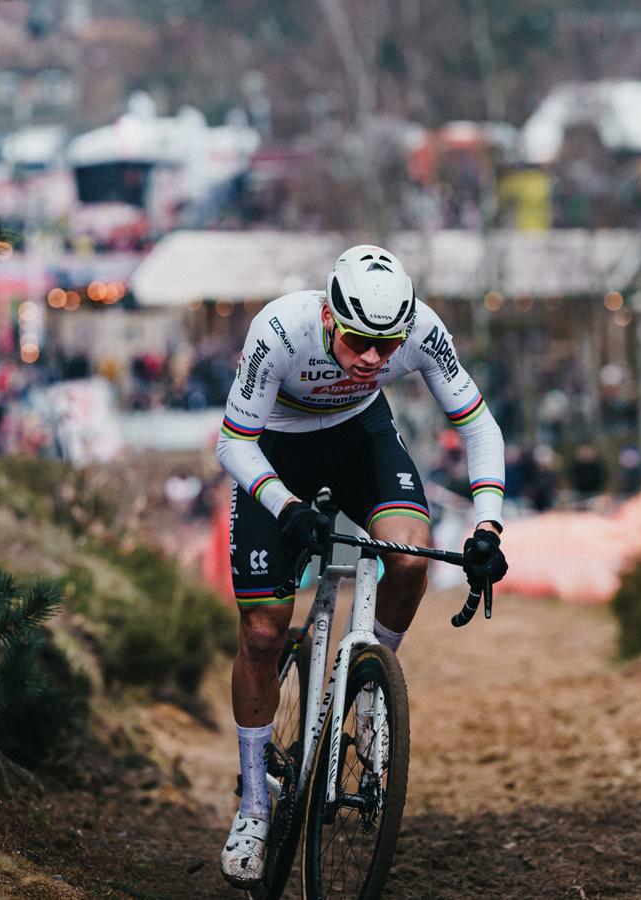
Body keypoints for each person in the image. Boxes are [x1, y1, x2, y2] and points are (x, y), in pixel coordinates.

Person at [215, 245, 508, 888]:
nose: (374, 358)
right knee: (263, 632)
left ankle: (371, 689)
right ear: (327, 316)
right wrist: (285, 507)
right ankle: (256, 806)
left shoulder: (423, 330)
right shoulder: (280, 330)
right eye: (357, 341)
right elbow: (233, 441)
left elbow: (481, 425)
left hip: (358, 438)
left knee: (407, 560)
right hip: (274, 452)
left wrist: (488, 525)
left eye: (386, 345)